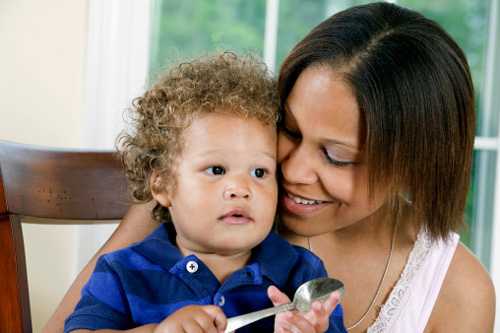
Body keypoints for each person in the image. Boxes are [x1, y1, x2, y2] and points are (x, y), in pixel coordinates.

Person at [46, 2, 495, 333]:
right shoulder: (197, 206)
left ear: (413, 167)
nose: (293, 170)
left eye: (337, 156)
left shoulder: (455, 291)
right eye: (291, 130)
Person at [63, 53, 344, 333]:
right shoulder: (122, 272)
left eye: (259, 172)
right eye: (216, 170)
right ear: (163, 185)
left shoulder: (301, 273)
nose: (241, 189)